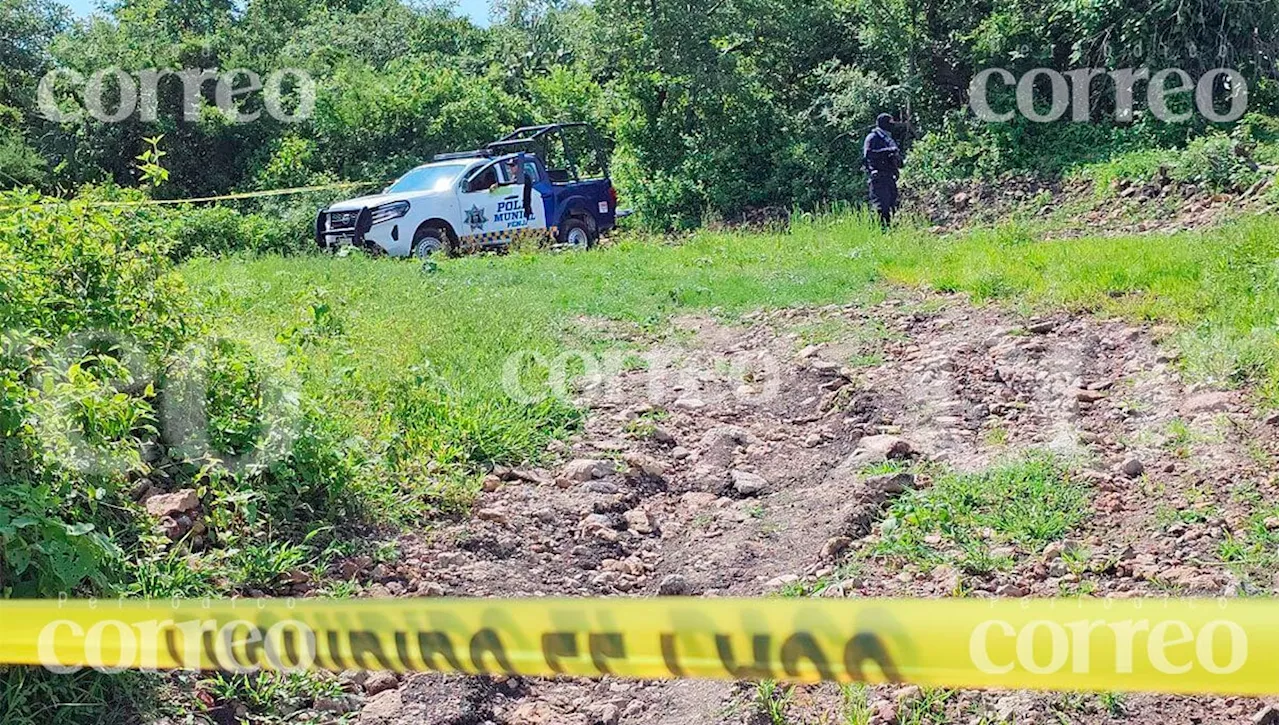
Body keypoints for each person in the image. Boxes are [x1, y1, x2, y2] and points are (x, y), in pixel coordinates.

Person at [863, 113, 903, 229]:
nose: (892, 126)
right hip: (878, 178)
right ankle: (880, 232)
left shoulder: (886, 138)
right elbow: (868, 154)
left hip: (890, 178)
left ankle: (889, 231)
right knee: (881, 208)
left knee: (892, 206)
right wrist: (887, 151)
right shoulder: (873, 137)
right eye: (890, 124)